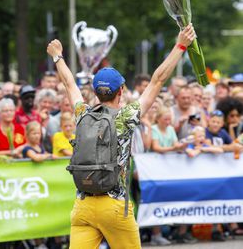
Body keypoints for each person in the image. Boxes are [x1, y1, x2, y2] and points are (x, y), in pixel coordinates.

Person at [47, 24, 195, 248]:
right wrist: (181, 45)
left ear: (96, 92)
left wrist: (58, 56)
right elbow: (157, 80)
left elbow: (69, 83)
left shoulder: (82, 114)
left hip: (83, 205)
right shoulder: (126, 116)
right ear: (121, 91)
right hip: (114, 205)